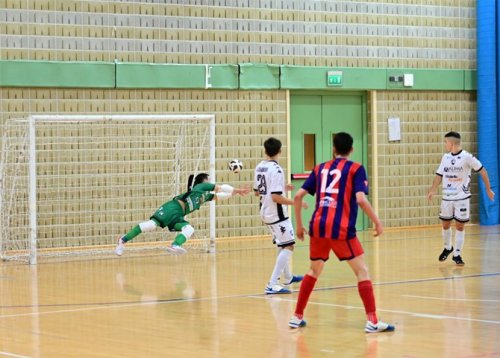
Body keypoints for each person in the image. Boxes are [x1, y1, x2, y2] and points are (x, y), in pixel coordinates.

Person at [288, 132, 395, 333]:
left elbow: (298, 196)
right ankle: (372, 321)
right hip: (341, 230)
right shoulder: (356, 169)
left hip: (317, 227)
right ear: (352, 149)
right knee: (362, 271)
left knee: (313, 271)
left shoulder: (320, 168)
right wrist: (377, 222)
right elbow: (361, 200)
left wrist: (300, 226)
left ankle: (296, 316)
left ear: (333, 149)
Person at [115, 173, 250, 256]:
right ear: (203, 181)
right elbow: (220, 188)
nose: (210, 181)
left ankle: (174, 245)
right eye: (208, 179)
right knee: (150, 225)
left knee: (189, 228)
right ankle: (123, 240)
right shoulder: (200, 188)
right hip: (172, 208)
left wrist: (235, 193)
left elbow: (220, 196)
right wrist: (237, 189)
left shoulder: (205, 196)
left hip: (179, 215)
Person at [427, 131, 495, 266]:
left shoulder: (467, 157)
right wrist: (433, 189)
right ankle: (448, 248)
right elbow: (439, 175)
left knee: (459, 225)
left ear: (451, 143)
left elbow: (482, 170)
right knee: (445, 224)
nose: (445, 144)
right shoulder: (445, 158)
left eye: (446, 142)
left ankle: (457, 254)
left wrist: (488, 189)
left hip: (462, 198)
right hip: (447, 197)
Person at [253, 137, 306, 294]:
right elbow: (276, 197)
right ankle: (272, 283)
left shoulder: (259, 167)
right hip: (276, 213)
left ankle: (288, 276)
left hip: (265, 210)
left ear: (265, 150)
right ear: (280, 151)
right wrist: (295, 202)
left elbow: (257, 192)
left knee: (283, 244)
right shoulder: (276, 169)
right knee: (289, 245)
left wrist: (282, 187)